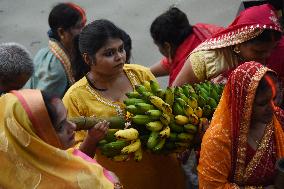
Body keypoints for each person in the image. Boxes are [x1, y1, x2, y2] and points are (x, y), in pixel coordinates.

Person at [63, 19, 186, 189]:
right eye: (109, 53)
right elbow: (74, 160)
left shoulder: (141, 75)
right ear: (88, 59)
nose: (119, 57)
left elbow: (166, 113)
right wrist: (91, 139)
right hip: (123, 181)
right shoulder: (75, 98)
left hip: (167, 173)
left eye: (121, 49)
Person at [0, 89, 123, 188]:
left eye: (67, 118)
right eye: (60, 127)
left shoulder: (7, 172)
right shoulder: (86, 181)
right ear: (34, 136)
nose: (73, 126)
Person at [198, 61, 284, 188]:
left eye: (274, 98)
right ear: (243, 103)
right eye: (262, 103)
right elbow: (211, 185)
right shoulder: (218, 140)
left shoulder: (279, 118)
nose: (272, 107)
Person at [172, 4, 282, 86]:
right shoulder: (205, 61)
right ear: (238, 42)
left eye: (273, 49)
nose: (267, 55)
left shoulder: (280, 51)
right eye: (259, 51)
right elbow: (177, 97)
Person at [25, 2, 86, 98]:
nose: (84, 31)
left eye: (84, 25)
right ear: (61, 32)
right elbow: (42, 105)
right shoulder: (55, 70)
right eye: (79, 27)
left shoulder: (45, 51)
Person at [150, 7, 223, 86]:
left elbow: (173, 94)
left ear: (167, 47)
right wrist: (145, 72)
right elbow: (169, 63)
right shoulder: (200, 29)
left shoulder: (183, 71)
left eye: (158, 46)